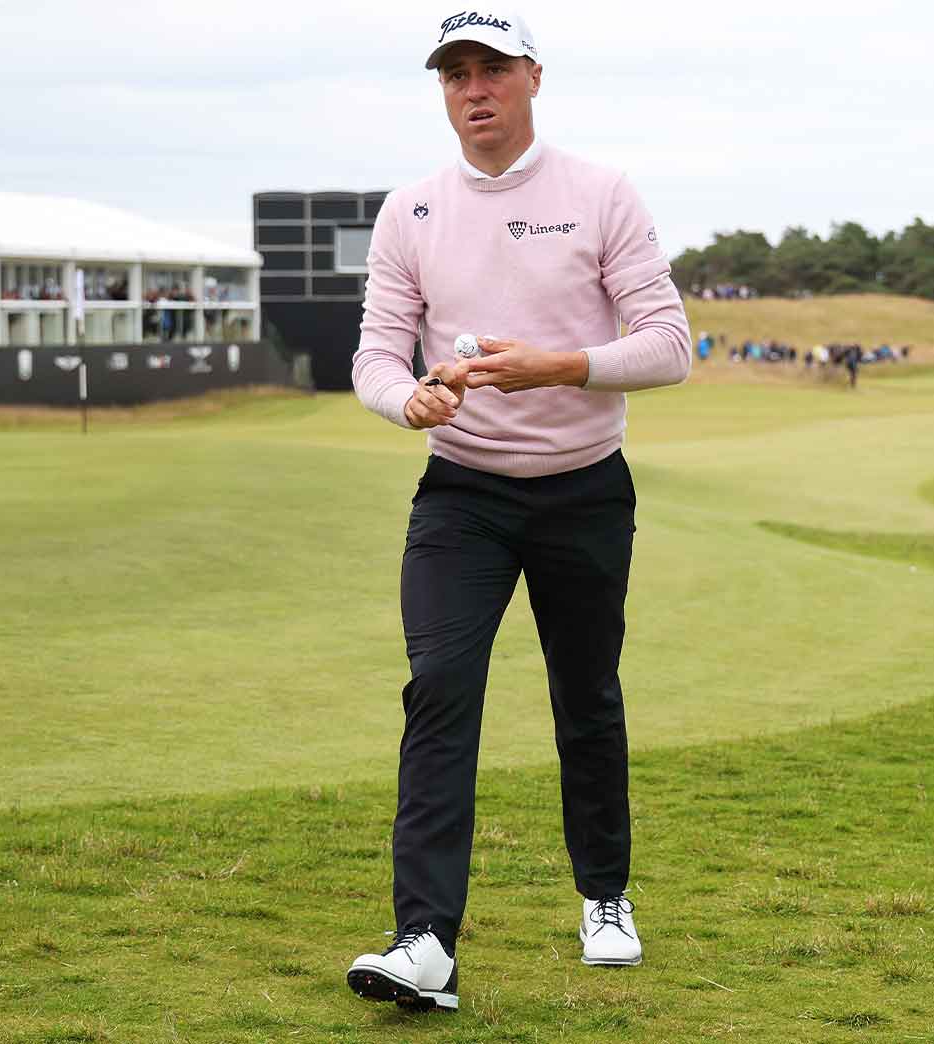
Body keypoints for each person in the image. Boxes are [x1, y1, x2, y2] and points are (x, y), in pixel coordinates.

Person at [346, 12, 689, 1013]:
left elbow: (668, 345)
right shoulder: (410, 211)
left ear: (533, 76)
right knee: (439, 688)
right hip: (464, 491)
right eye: (454, 73)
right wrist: (407, 400)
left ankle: (604, 895)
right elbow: (376, 355)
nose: (473, 88)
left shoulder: (600, 193)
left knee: (585, 694)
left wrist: (559, 366)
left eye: (491, 67)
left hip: (584, 486)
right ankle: (424, 943)